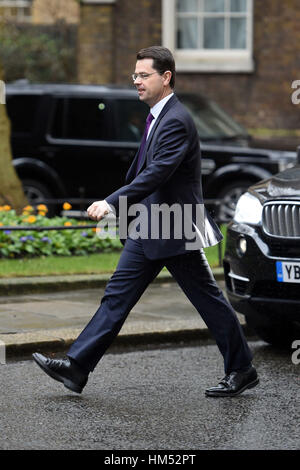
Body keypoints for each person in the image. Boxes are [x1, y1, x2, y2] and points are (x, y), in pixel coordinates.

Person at [32, 46, 259, 397]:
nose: (136, 81)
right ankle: (76, 367)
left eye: (143, 75)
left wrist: (111, 203)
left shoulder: (176, 120)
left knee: (208, 300)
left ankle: (242, 368)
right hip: (152, 225)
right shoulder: (157, 115)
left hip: (174, 227)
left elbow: (156, 174)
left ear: (165, 77)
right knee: (117, 297)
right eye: (135, 75)